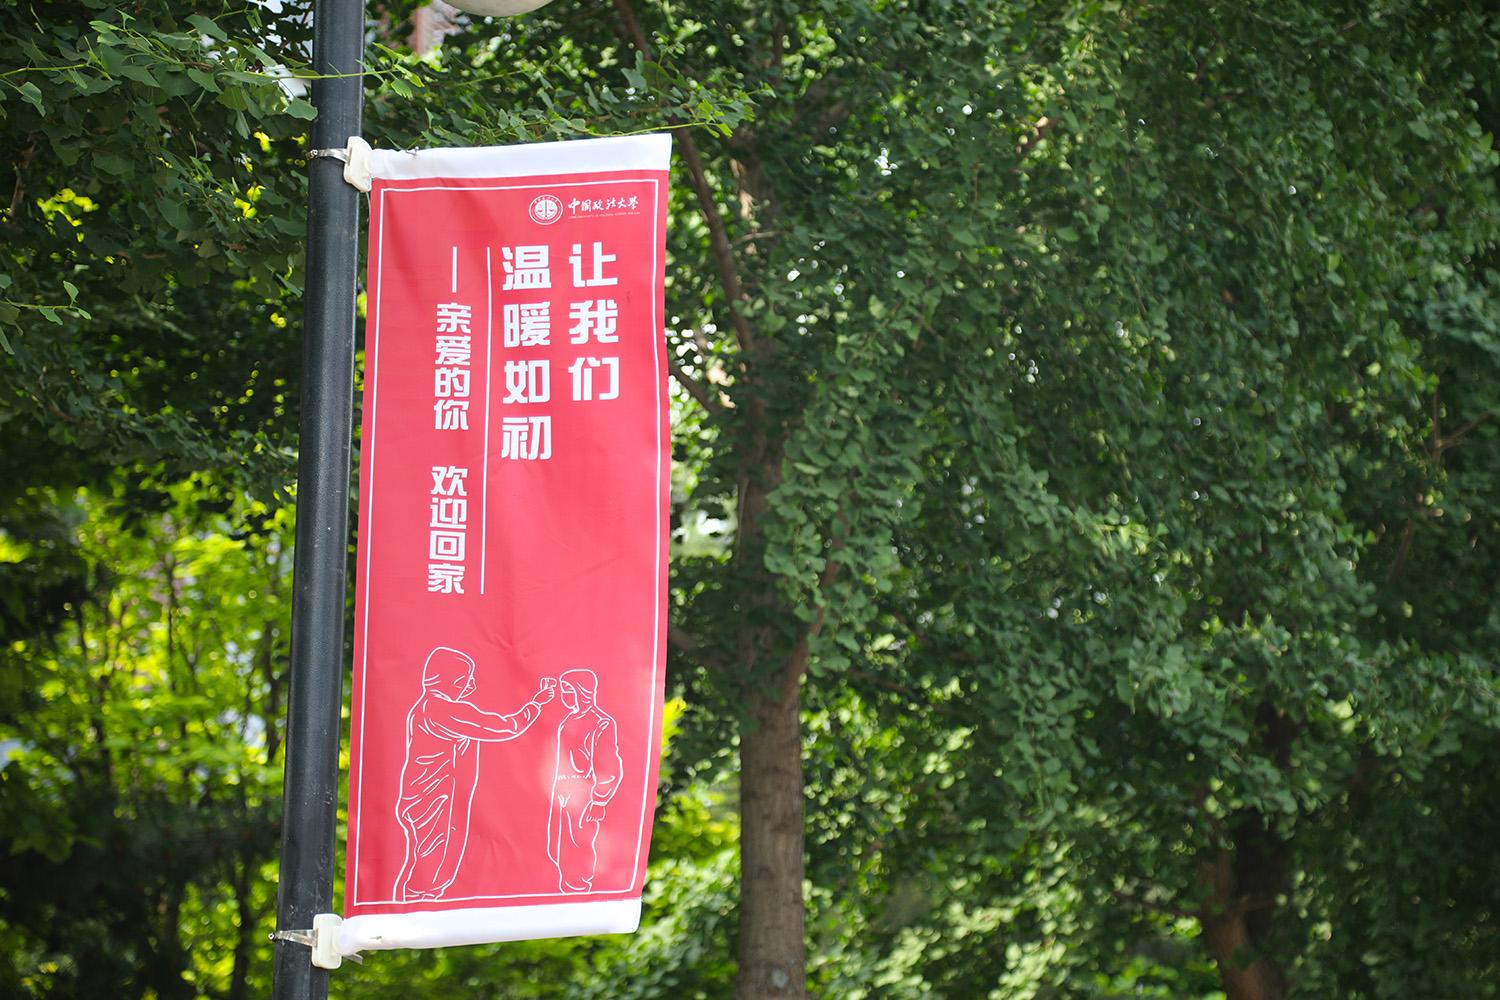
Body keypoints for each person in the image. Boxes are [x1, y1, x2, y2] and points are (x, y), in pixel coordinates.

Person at [394, 646, 555, 901]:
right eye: (465, 680)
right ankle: (413, 910)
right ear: (450, 680)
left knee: (436, 865)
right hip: (435, 800)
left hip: (434, 799)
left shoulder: (432, 707)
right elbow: (503, 727)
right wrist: (537, 704)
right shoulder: (441, 709)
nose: (470, 686)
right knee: (431, 869)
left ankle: (420, 906)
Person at [547, 669, 622, 892]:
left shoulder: (601, 723)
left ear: (583, 691)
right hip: (562, 793)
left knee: (579, 845)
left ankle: (578, 888)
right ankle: (565, 888)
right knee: (558, 845)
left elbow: (608, 764)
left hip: (584, 795)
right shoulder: (568, 721)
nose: (565, 695)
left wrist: (599, 799)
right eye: (563, 691)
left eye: (568, 690)